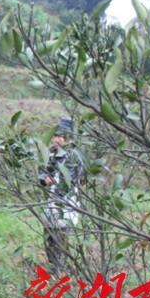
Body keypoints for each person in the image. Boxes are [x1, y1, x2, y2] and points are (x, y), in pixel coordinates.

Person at [39, 117, 84, 273]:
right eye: (55, 136)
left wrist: (55, 184)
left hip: (66, 202)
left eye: (60, 136)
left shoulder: (73, 156)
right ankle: (54, 266)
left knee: (60, 235)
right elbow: (42, 174)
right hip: (52, 201)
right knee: (49, 234)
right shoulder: (51, 154)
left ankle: (61, 268)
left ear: (67, 138)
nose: (57, 139)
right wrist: (44, 180)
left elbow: (69, 182)